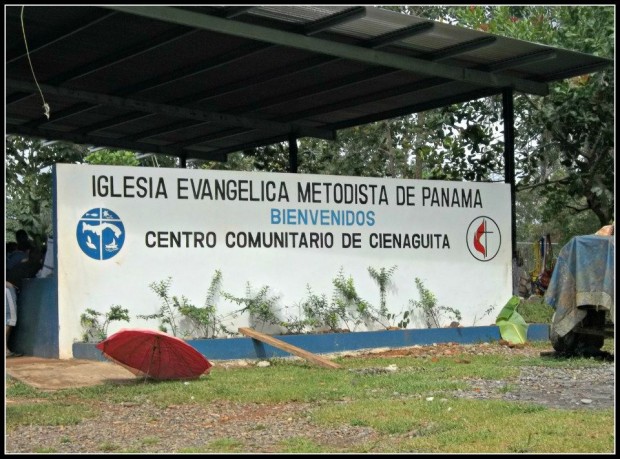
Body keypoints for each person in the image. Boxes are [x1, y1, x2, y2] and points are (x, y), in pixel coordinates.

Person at [5, 245, 42, 358]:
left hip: (9, 287)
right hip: (8, 288)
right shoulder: (34, 265)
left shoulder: (25, 262)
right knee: (9, 319)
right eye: (37, 254)